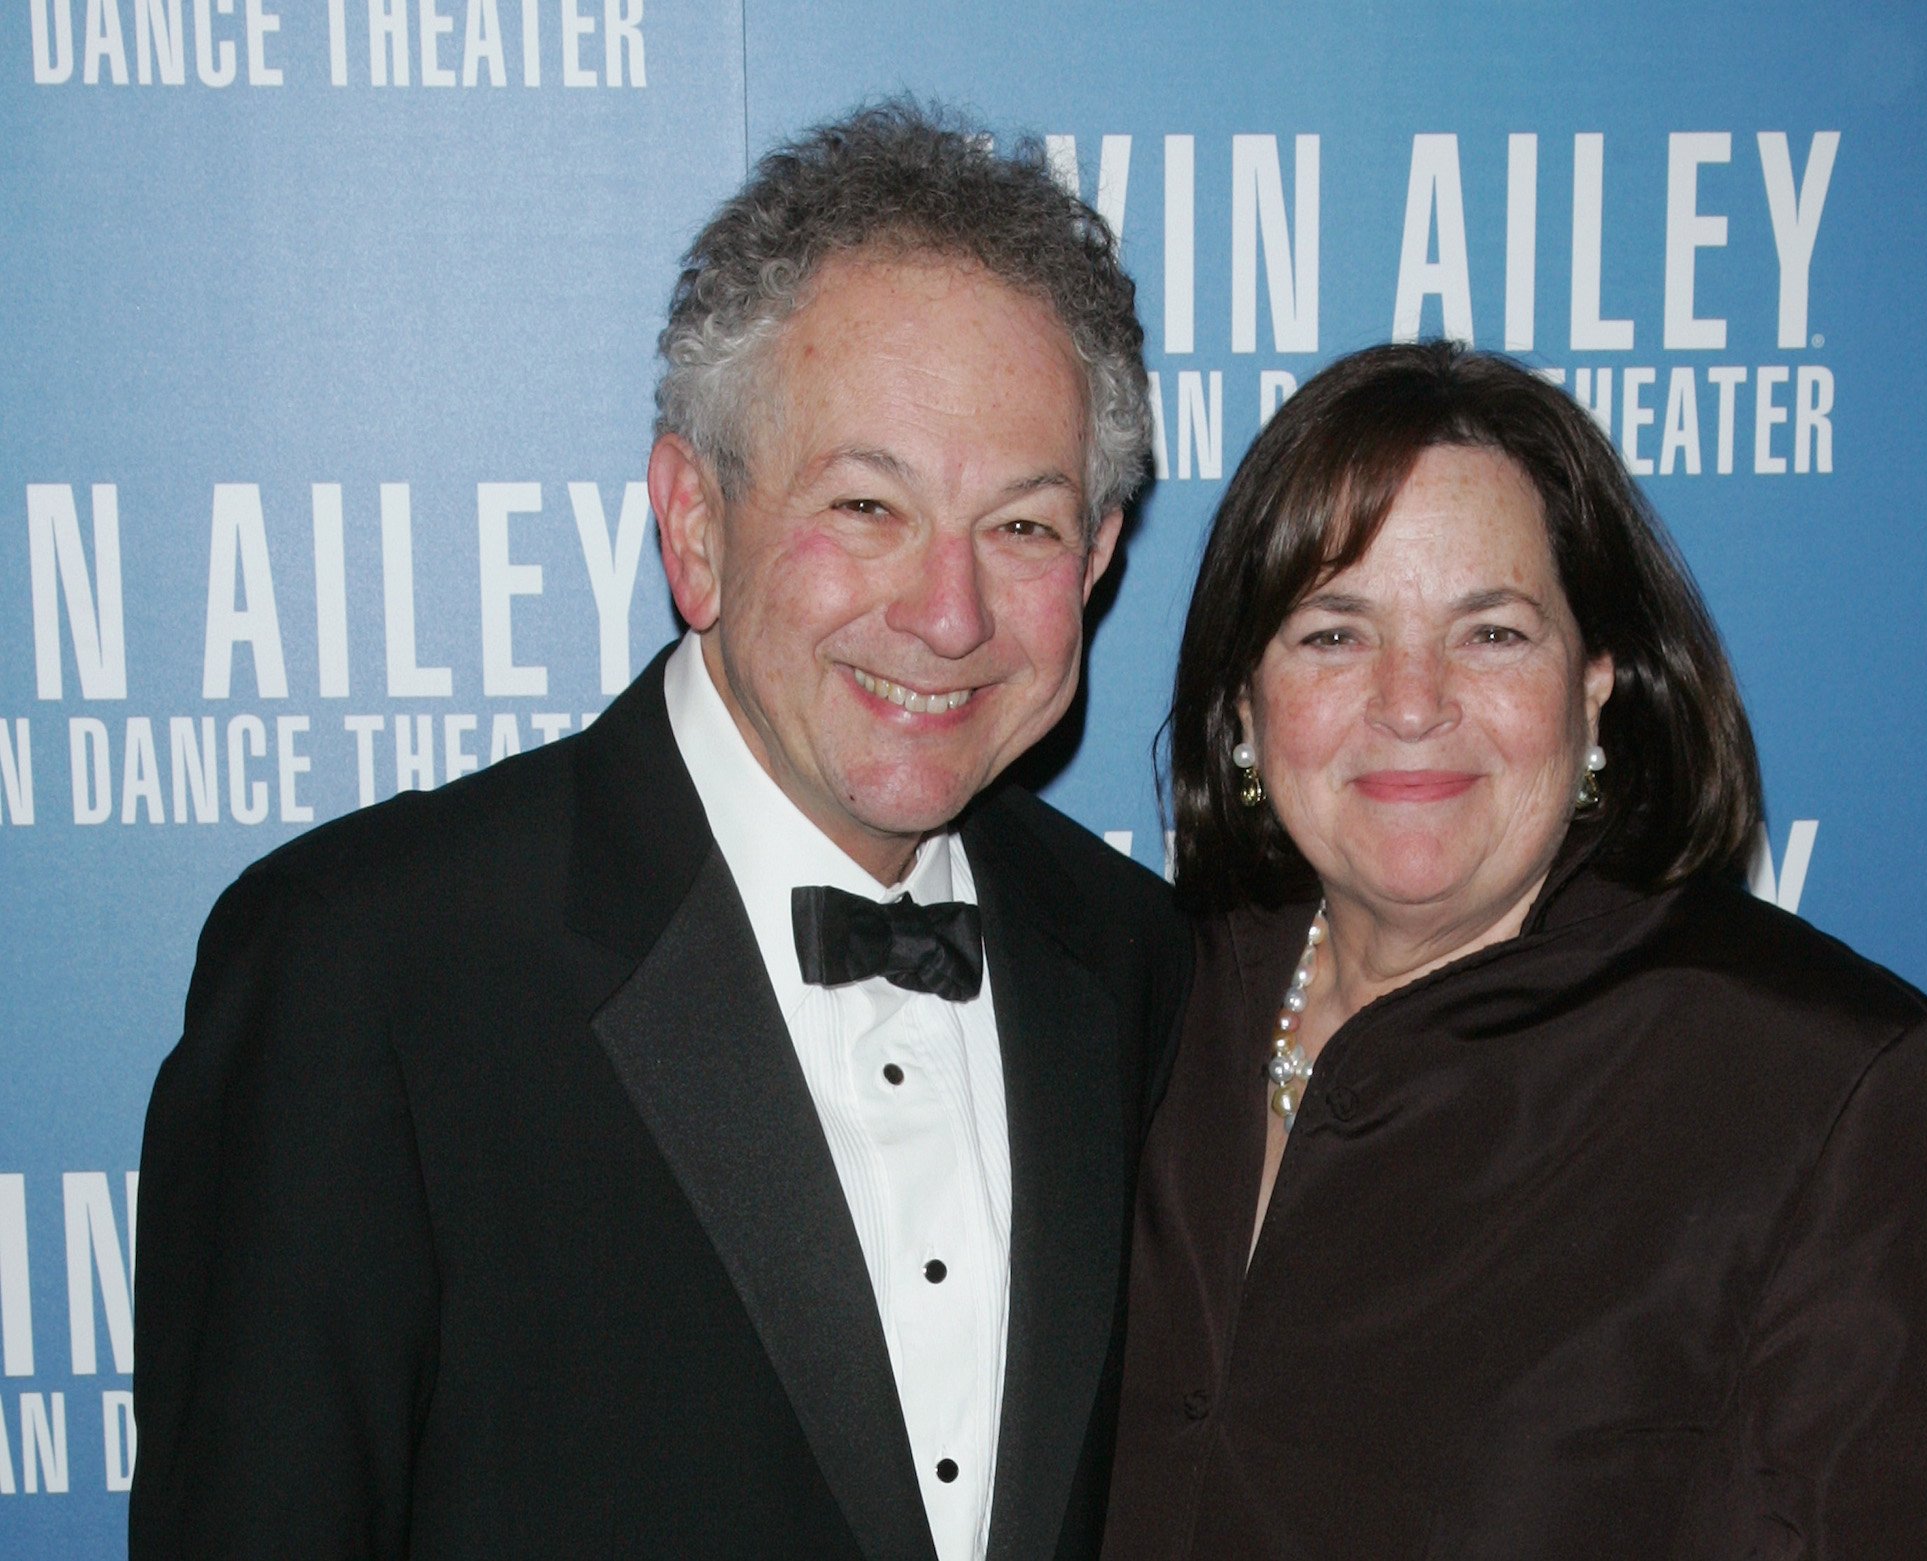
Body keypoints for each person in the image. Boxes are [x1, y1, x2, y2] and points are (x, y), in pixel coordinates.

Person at [130, 103, 1189, 1561]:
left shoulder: (1139, 965)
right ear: (694, 523)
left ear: (1102, 555)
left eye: (1021, 526)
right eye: (868, 504)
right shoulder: (365, 971)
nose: (949, 616)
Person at [1102, 342, 1927, 1558]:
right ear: (1244, 698)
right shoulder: (1134, 1002)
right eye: (1334, 634)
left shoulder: (1835, 1096)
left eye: (1491, 634)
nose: (1410, 700)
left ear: (1599, 681)